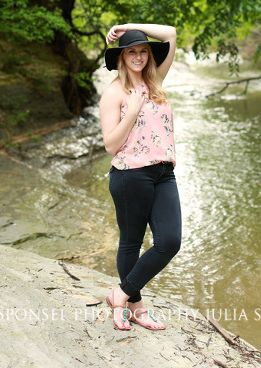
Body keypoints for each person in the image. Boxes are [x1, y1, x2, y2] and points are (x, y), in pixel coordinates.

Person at [99, 23, 181, 331]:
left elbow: (171, 33)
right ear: (121, 57)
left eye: (142, 51)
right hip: (130, 176)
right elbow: (110, 145)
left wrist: (128, 28)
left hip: (163, 173)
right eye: (131, 51)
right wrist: (131, 112)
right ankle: (136, 306)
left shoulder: (156, 80)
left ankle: (119, 294)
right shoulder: (113, 93)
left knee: (169, 241)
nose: (137, 56)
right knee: (131, 242)